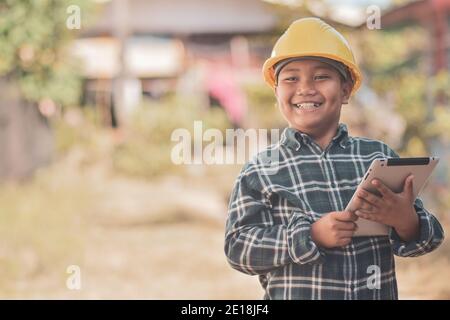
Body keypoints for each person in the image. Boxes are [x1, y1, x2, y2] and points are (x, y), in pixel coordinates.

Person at [224, 17, 444, 300]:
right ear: (276, 91)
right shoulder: (261, 171)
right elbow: (238, 250)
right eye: (291, 78)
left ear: (345, 90)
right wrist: (309, 236)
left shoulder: (378, 158)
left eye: (321, 76)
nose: (305, 88)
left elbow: (430, 240)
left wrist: (406, 221)